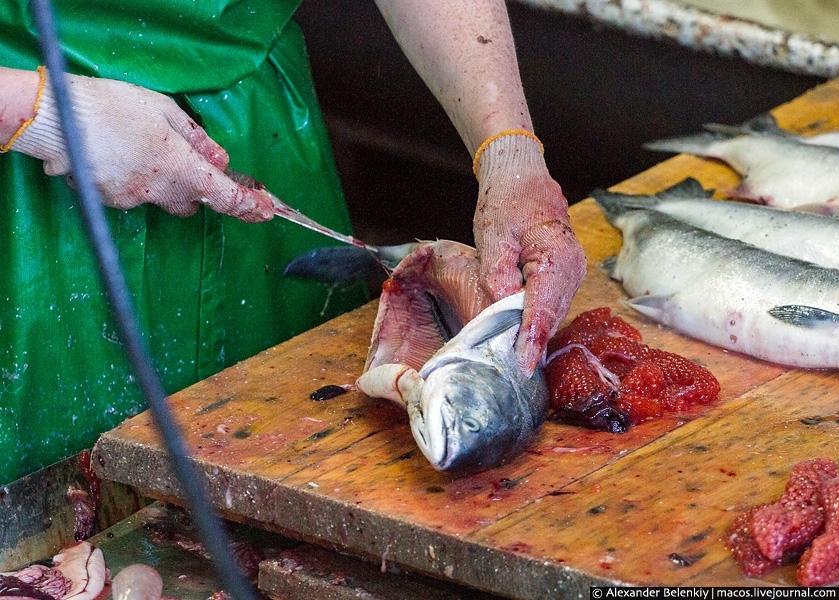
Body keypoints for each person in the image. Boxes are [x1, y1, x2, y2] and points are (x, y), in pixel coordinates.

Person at [0, 0, 586, 485]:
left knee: (285, 479)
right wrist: (40, 111)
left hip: (258, 125)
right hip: (29, 184)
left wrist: (510, 151)